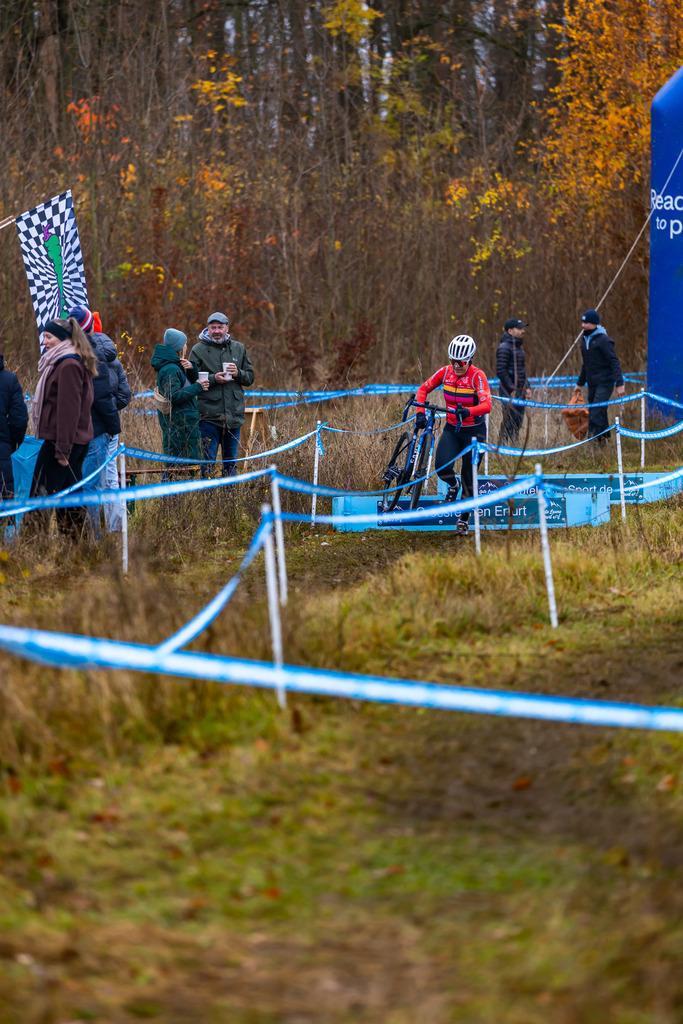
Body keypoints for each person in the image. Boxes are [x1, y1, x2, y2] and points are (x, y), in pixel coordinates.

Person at [415, 334, 492, 537]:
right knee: (441, 466)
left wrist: (469, 411)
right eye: (453, 361)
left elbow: (487, 405)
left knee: (469, 477)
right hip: (452, 429)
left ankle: (463, 520)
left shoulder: (477, 376)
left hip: (474, 432)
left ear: (470, 360)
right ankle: (452, 484)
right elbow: (423, 389)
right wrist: (420, 413)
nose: (456, 365)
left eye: (461, 362)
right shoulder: (445, 372)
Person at [29, 317, 97, 537]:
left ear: (63, 338)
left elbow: (69, 412)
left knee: (39, 497)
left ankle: (31, 547)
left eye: (48, 336)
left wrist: (62, 451)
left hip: (62, 443)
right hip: (70, 442)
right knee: (71, 498)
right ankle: (77, 547)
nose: (44, 341)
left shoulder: (68, 365)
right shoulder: (65, 362)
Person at [68, 306, 121, 535]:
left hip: (73, 429)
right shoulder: (91, 354)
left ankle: (78, 535)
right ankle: (91, 537)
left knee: (78, 484)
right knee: (91, 485)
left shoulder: (66, 352)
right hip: (94, 428)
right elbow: (101, 394)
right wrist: (113, 426)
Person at [189, 312, 255, 477]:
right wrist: (213, 379)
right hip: (208, 416)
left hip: (234, 416)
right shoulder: (198, 350)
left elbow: (250, 378)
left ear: (227, 328)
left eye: (220, 327)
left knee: (231, 462)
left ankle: (230, 500)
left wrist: (238, 373)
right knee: (208, 462)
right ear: (208, 329)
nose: (216, 331)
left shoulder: (239, 349)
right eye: (213, 327)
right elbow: (190, 380)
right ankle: (208, 498)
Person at [151, 329, 208, 464]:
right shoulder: (170, 369)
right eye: (185, 343)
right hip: (179, 426)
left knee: (187, 467)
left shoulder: (176, 366)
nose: (186, 346)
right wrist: (198, 387)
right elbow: (174, 396)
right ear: (180, 346)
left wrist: (191, 369)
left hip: (185, 425)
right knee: (177, 468)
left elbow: (186, 385)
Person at [573, 310, 624, 441]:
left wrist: (619, 384)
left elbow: (614, 362)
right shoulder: (584, 340)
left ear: (595, 323)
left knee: (595, 413)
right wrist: (579, 383)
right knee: (599, 412)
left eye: (586, 323)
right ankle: (604, 440)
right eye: (582, 322)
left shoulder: (604, 340)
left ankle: (592, 444)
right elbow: (586, 364)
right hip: (592, 383)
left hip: (605, 383)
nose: (583, 325)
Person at [104, 331, 132, 531]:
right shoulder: (115, 361)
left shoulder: (84, 357)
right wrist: (110, 409)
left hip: (100, 426)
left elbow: (125, 394)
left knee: (90, 476)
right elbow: (125, 395)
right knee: (110, 474)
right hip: (111, 424)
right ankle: (115, 525)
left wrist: (105, 408)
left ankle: (97, 527)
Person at [496, 317, 532, 443]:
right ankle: (502, 446)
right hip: (508, 390)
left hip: (520, 391)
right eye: (520, 328)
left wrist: (527, 387)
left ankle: (514, 447)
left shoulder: (519, 348)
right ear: (510, 331)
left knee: (518, 421)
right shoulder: (504, 348)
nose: (523, 331)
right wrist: (511, 389)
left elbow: (522, 371)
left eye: (523, 328)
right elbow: (501, 371)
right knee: (509, 420)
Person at [0, 352, 28, 499]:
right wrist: (12, 443)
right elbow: (19, 420)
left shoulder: (9, 379)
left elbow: (19, 419)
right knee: (5, 504)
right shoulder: (9, 379)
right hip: (3, 449)